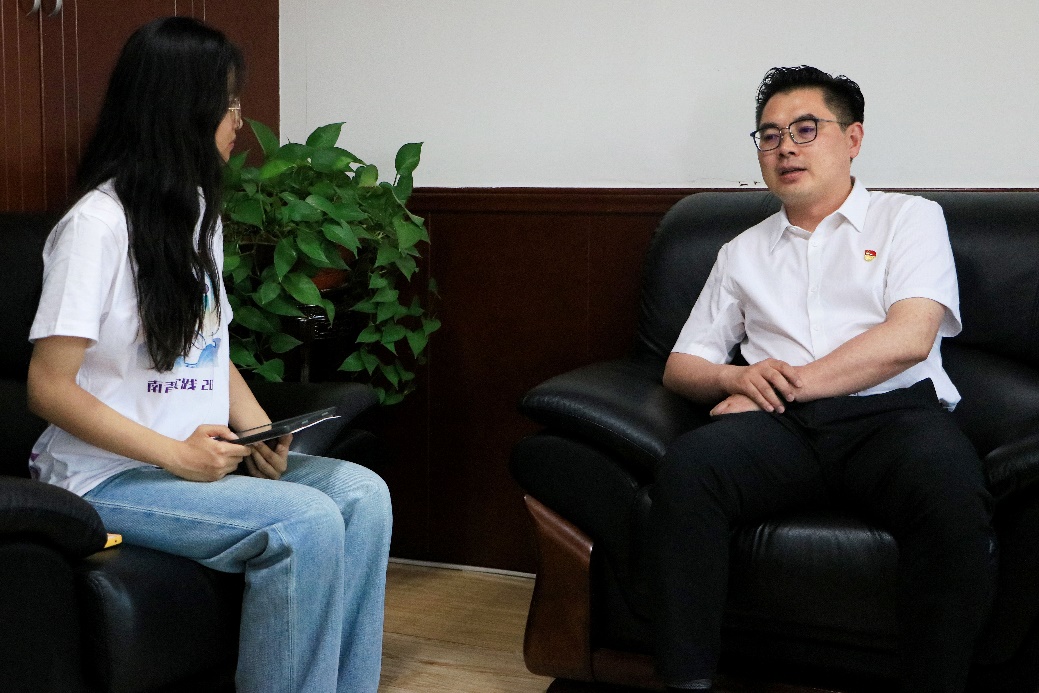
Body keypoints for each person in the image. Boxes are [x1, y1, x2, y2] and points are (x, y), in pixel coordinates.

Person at [25, 17, 391, 693]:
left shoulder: (197, 212)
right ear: (179, 110)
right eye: (226, 103)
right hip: (106, 478)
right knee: (303, 520)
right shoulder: (95, 227)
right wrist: (174, 455)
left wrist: (258, 428)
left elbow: (208, 347)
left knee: (362, 496)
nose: (239, 120)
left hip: (192, 464)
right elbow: (48, 387)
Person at [650, 65, 996, 693]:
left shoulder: (909, 219)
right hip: (782, 428)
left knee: (951, 494)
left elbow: (909, 337)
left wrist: (790, 384)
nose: (785, 147)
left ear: (853, 138)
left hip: (894, 416)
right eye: (770, 135)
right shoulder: (741, 252)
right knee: (690, 469)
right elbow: (681, 365)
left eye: (805, 129)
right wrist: (739, 379)